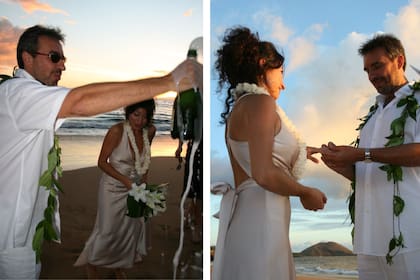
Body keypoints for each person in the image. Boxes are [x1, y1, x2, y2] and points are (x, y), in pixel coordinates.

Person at [0, 24, 201, 279]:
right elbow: (80, 102)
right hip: (10, 236)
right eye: (54, 57)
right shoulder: (18, 93)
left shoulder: (27, 99)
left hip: (24, 232)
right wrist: (168, 81)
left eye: (63, 59)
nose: (62, 65)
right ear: (27, 58)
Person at [211, 26, 327, 280]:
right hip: (262, 215)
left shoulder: (243, 107)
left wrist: (301, 151)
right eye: (281, 72)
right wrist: (306, 192)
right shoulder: (261, 103)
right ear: (263, 64)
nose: (284, 84)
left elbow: (256, 155)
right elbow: (263, 173)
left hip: (253, 213)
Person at [318, 34, 420, 280]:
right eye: (366, 70)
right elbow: (367, 170)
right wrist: (342, 165)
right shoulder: (372, 118)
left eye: (377, 66)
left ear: (399, 61)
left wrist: (362, 154)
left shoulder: (417, 100)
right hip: (369, 238)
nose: (371, 76)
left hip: (411, 234)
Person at [74, 99, 156, 279]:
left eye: (145, 117)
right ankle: (92, 263)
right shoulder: (117, 131)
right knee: (108, 230)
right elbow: (102, 162)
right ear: (128, 112)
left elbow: (146, 159)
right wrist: (125, 181)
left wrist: (144, 183)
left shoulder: (150, 131)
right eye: (136, 115)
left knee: (127, 231)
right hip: (112, 187)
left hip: (135, 188)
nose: (140, 121)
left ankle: (119, 266)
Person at [175, 137, 203, 242]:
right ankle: (196, 225)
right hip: (194, 150)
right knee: (194, 188)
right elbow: (185, 126)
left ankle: (191, 218)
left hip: (203, 149)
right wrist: (179, 147)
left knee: (200, 191)